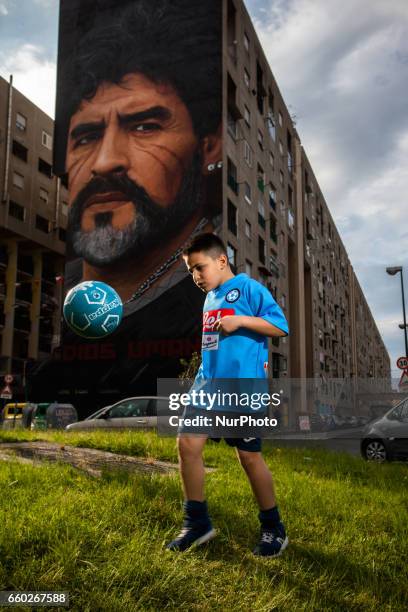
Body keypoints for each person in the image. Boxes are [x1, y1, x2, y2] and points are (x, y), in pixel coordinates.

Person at [166, 233, 290, 557]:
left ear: (222, 260)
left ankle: (273, 528)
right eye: (191, 270)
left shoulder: (249, 288)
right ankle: (197, 523)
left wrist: (240, 321)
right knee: (186, 443)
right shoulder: (209, 298)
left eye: (199, 267)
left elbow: (281, 326)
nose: (196, 276)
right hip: (208, 387)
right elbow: (212, 345)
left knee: (248, 457)